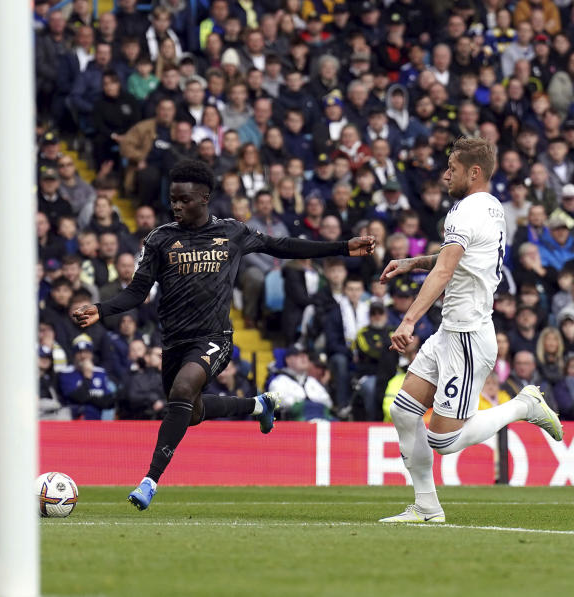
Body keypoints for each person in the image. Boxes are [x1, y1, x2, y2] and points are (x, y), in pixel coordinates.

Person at [72, 160, 376, 510]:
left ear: (204, 198)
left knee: (184, 389)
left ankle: (149, 481)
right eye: (173, 199)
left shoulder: (232, 232)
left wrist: (341, 247)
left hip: (215, 337)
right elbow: (137, 292)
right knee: (191, 410)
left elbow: (284, 246)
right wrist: (102, 308)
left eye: (184, 199)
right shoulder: (160, 239)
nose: (176, 205)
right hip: (174, 342)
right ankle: (258, 404)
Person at [377, 137, 563, 524]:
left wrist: (409, 320)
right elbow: (454, 260)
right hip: (450, 331)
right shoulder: (492, 207)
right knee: (404, 411)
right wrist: (414, 263)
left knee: (442, 441)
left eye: (453, 168)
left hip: (467, 337)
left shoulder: (464, 212)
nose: (446, 174)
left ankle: (523, 405)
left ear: (473, 172)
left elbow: (445, 271)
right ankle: (426, 506)